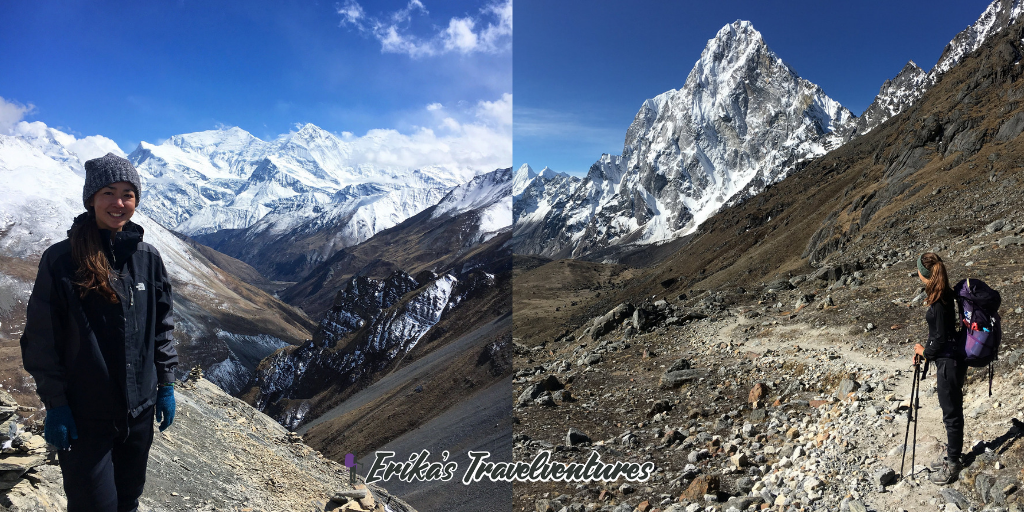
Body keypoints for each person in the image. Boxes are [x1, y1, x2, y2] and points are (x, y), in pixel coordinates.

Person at [20, 153, 178, 511]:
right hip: (85, 417)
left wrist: (166, 383)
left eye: (128, 194)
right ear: (91, 198)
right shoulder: (62, 260)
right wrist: (56, 404)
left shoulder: (147, 258)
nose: (119, 203)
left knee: (128, 501)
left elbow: (162, 326)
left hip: (138, 414)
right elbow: (41, 339)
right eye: (109, 192)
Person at [912, 252, 965, 485]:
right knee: (951, 410)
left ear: (925, 275)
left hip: (948, 363)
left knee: (951, 413)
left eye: (919, 272)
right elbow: (940, 334)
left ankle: (953, 463)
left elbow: (940, 340)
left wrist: (923, 352)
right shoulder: (944, 296)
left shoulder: (939, 303)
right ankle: (952, 455)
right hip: (951, 360)